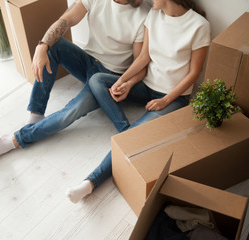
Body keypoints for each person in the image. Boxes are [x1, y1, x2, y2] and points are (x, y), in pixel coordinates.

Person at [66, 0, 210, 203]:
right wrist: (124, 81)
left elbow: (194, 73)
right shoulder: (153, 15)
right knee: (97, 80)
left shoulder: (199, 25)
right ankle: (126, 132)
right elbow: (143, 57)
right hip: (146, 86)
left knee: (131, 137)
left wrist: (165, 100)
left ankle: (90, 182)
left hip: (173, 98)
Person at [0, 0, 151, 165]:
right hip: (87, 61)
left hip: (107, 75)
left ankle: (13, 140)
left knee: (71, 111)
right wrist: (42, 46)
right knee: (54, 45)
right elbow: (67, 19)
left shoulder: (142, 14)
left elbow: (139, 63)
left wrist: (125, 84)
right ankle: (36, 114)